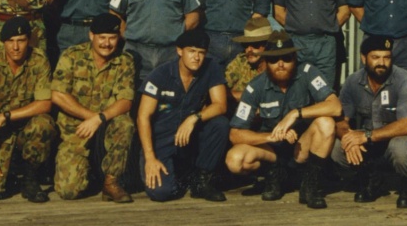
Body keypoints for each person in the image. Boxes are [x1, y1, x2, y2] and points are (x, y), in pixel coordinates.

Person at [226, 32, 342, 210]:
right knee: (235, 159)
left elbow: (335, 107)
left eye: (286, 58)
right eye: (274, 60)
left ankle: (310, 184)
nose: (280, 64)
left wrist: (295, 113)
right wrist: (271, 137)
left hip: (300, 147)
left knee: (326, 122)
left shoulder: (307, 72)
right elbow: (235, 134)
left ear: (294, 57)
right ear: (265, 61)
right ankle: (274, 175)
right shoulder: (254, 87)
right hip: (272, 150)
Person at [333, 35, 407, 208]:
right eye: (375, 57)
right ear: (363, 58)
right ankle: (371, 178)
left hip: (404, 139)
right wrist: (349, 138)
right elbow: (340, 120)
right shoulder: (353, 81)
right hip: (371, 142)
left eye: (386, 57)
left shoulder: (405, 80)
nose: (382, 63)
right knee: (337, 148)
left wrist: (365, 136)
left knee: (401, 148)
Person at [51, 13, 135, 202]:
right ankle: (89, 173)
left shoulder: (124, 61)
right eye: (102, 38)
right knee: (68, 191)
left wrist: (99, 119)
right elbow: (57, 95)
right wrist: (90, 117)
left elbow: (125, 101)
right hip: (76, 129)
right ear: (91, 36)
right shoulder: (72, 56)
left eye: (112, 38)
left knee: (125, 124)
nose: (107, 43)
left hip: (107, 124)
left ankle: (111, 183)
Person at [137, 28, 229, 202]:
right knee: (162, 192)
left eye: (201, 52)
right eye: (191, 51)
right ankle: (180, 172)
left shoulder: (211, 68)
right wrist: (150, 158)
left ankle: (201, 181)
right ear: (179, 51)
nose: (197, 57)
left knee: (220, 124)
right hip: (161, 139)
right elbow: (143, 117)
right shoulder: (160, 75)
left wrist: (194, 118)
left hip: (189, 134)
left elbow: (220, 105)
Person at [0, 17, 55, 203]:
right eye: (10, 41)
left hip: (26, 127)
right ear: (3, 42)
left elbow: (45, 104)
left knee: (44, 124)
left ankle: (30, 177)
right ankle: (7, 172)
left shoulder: (39, 60)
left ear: (29, 41)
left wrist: (5, 116)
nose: (15, 47)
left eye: (21, 41)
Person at [225, 16, 273, 103]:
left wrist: (239, 95)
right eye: (245, 45)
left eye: (255, 44)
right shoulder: (241, 61)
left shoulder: (277, 65)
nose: (249, 50)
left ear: (267, 45)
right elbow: (220, 89)